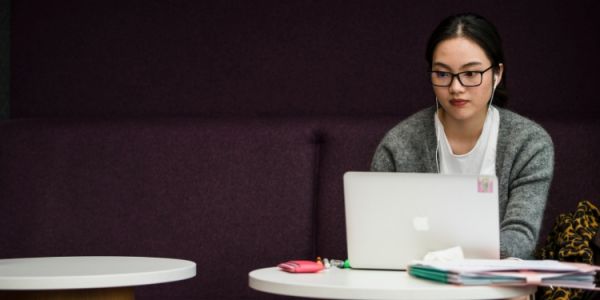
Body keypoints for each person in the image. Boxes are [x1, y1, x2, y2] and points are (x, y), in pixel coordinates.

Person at [371, 13, 554, 259]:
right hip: (417, 284)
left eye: (470, 74)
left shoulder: (529, 143)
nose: (456, 88)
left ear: (497, 74)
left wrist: (450, 257)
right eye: (443, 74)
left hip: (497, 282)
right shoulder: (398, 144)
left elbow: (519, 239)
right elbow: (378, 235)